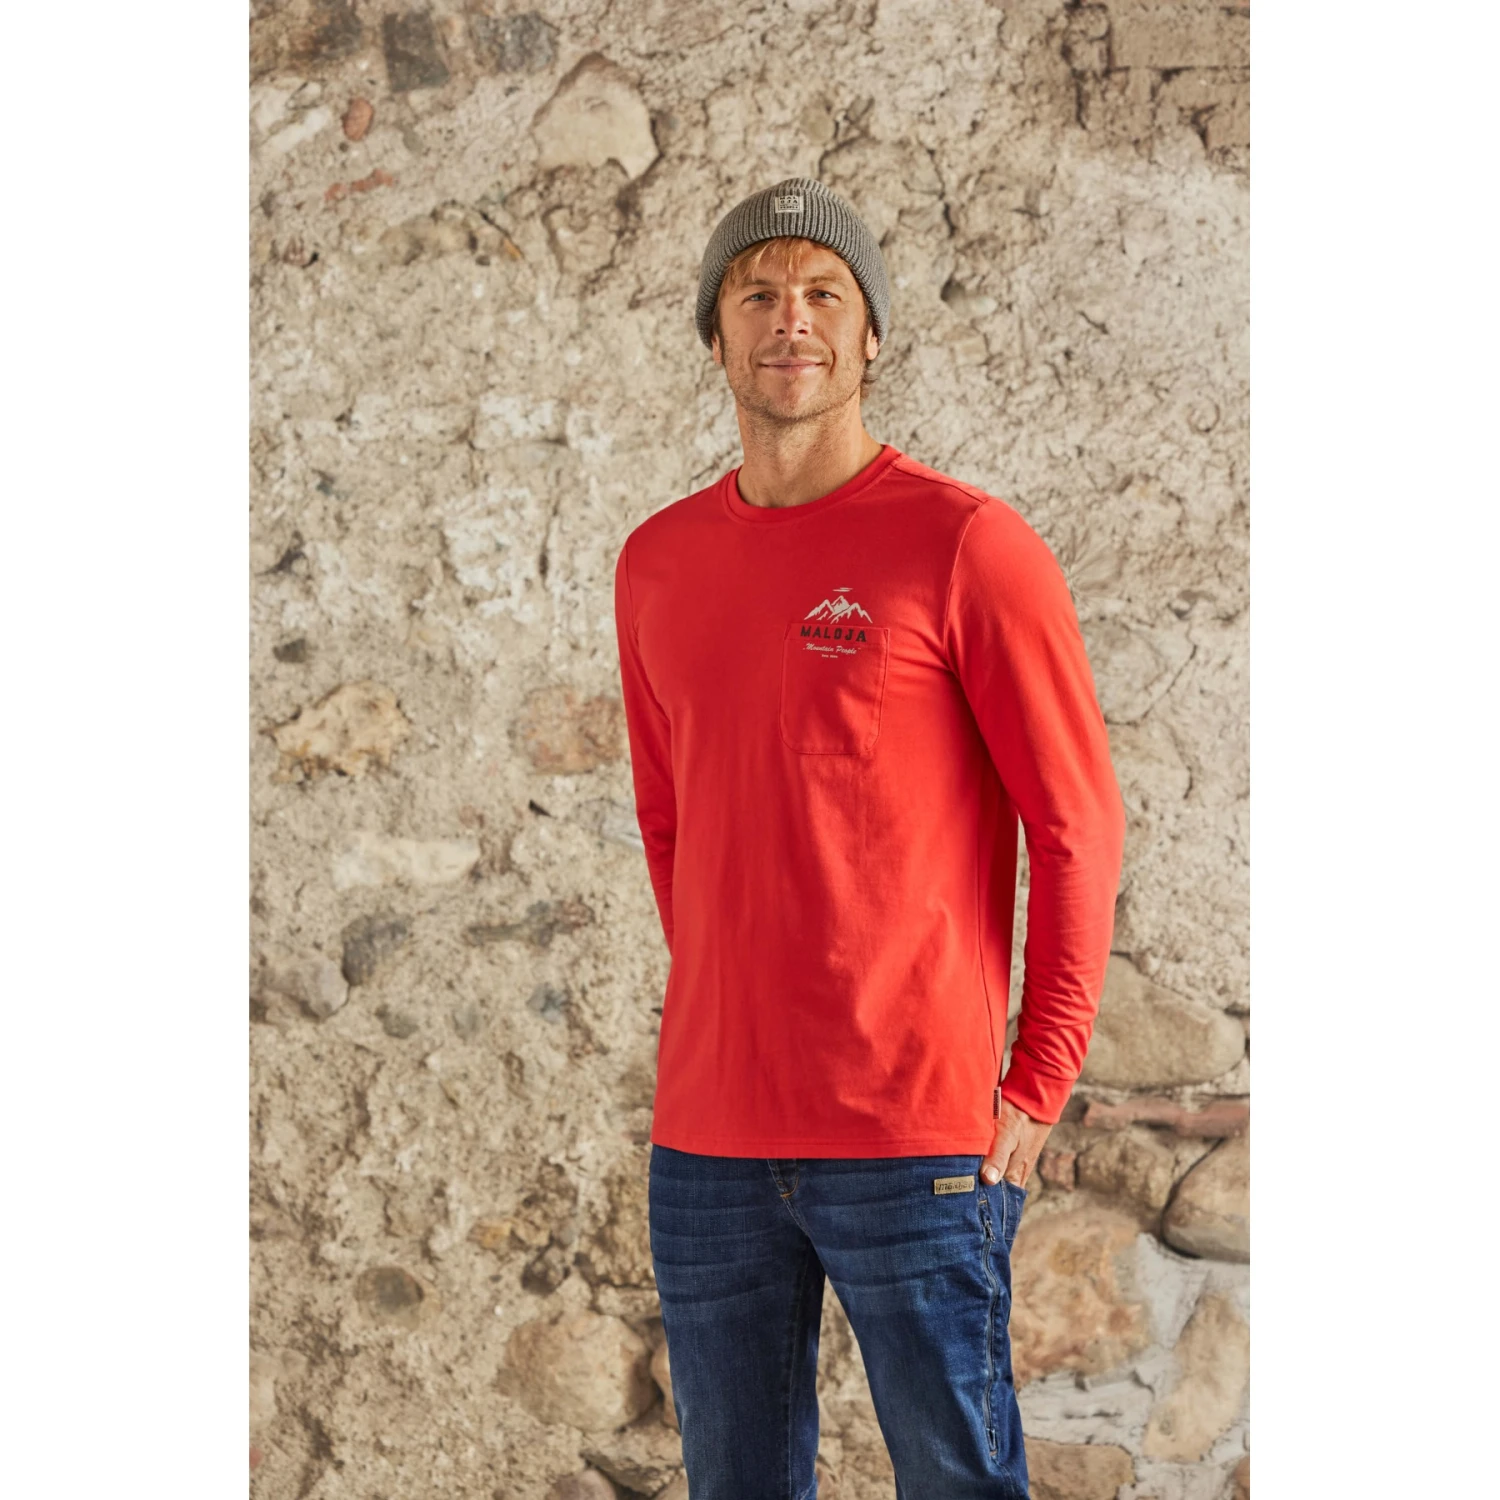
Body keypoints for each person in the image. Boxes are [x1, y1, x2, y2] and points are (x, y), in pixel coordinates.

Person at [611, 177, 1126, 1500]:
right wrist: (743, 1003)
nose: (791, 318)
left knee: (958, 1484)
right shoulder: (656, 562)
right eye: (757, 292)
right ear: (716, 334)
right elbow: (672, 824)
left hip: (918, 1134)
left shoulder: (966, 546)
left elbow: (1075, 822)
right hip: (710, 1144)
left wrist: (1037, 1080)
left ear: (871, 334)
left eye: (824, 292)